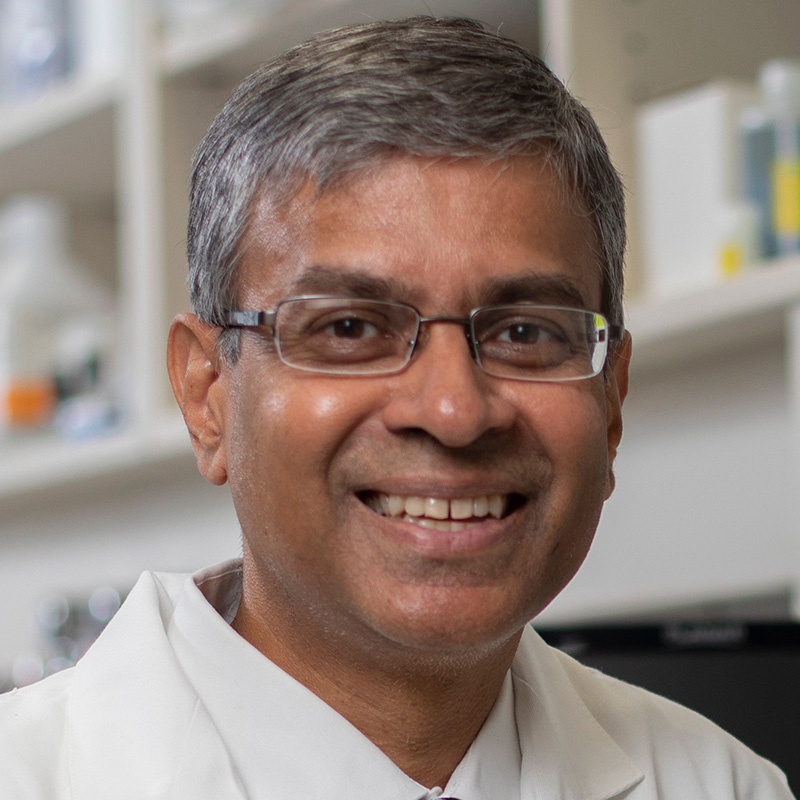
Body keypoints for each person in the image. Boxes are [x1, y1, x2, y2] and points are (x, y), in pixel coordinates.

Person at [0, 15, 794, 800]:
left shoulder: (725, 784)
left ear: (611, 405)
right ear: (208, 394)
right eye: (349, 328)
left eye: (523, 331)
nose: (453, 409)